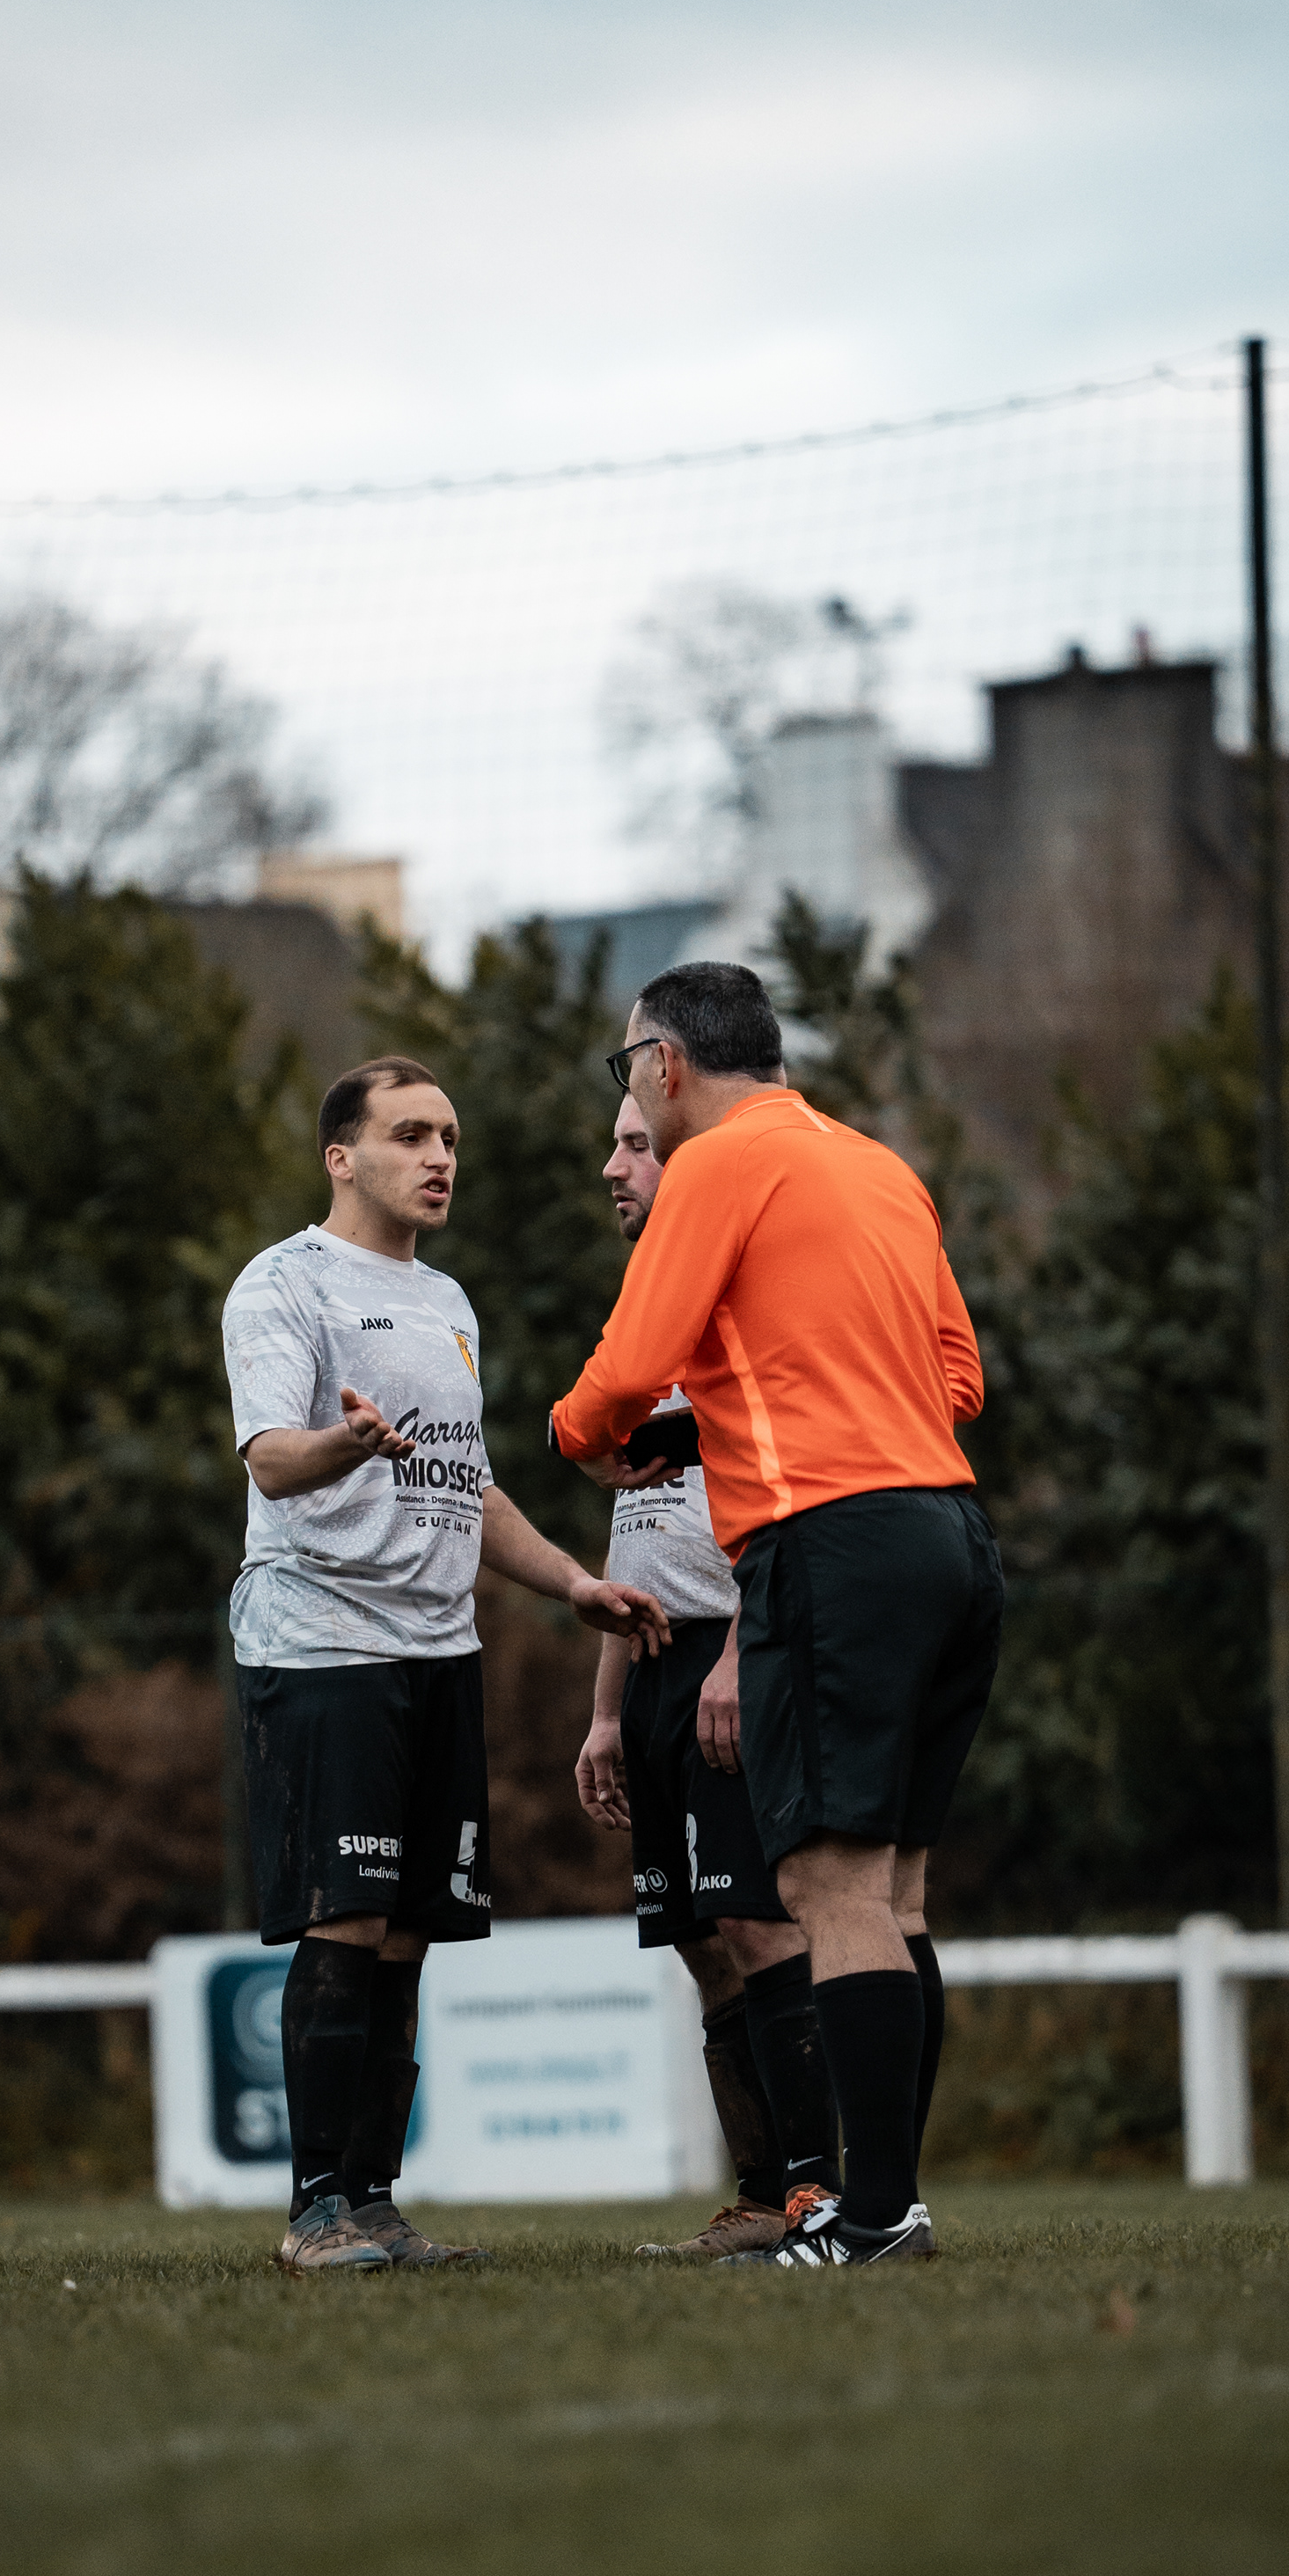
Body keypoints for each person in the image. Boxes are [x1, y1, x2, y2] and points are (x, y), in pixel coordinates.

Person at [552, 963, 1001, 2270]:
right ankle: (892, 2203)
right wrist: (718, 1430)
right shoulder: (877, 1165)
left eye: (629, 1067)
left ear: (666, 1065)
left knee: (825, 1886)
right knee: (897, 1890)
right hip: (950, 1537)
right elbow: (957, 1376)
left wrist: (580, 1433)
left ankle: (872, 2217)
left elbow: (629, 1368)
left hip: (830, 1546)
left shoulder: (714, 1163)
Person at [223, 1052, 670, 2274]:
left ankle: (374, 2203)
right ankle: (316, 2213)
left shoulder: (449, 1303)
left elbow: (464, 1486)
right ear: (341, 1157)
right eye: (412, 1135)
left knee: (411, 1932)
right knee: (348, 1916)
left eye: (450, 1139)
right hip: (326, 1643)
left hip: (438, 1650)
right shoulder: (285, 1284)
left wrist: (573, 1582)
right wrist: (346, 1444)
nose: (439, 1158)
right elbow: (271, 1460)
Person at [575, 1094, 840, 2258]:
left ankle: (822, 2194)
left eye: (637, 1144)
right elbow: (636, 1533)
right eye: (616, 1144)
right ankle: (760, 2195)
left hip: (739, 1647)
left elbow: (783, 1511)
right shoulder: (642, 1319)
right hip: (650, 1664)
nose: (613, 1165)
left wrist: (739, 1647)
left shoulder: (750, 1304)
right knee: (699, 1938)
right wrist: (603, 1712)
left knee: (758, 1917)